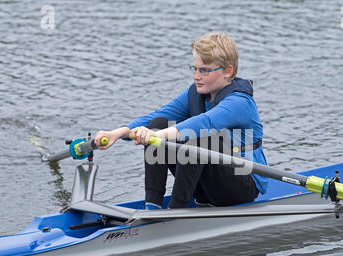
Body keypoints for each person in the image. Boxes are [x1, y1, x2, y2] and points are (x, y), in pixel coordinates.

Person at [95, 33, 269, 210]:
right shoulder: (196, 94)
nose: (196, 76)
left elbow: (205, 123)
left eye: (204, 70)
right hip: (207, 180)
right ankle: (152, 205)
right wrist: (116, 133)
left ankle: (177, 209)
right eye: (194, 68)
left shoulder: (240, 102)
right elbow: (156, 116)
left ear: (228, 71)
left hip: (243, 183)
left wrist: (155, 136)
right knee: (159, 122)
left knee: (198, 134)